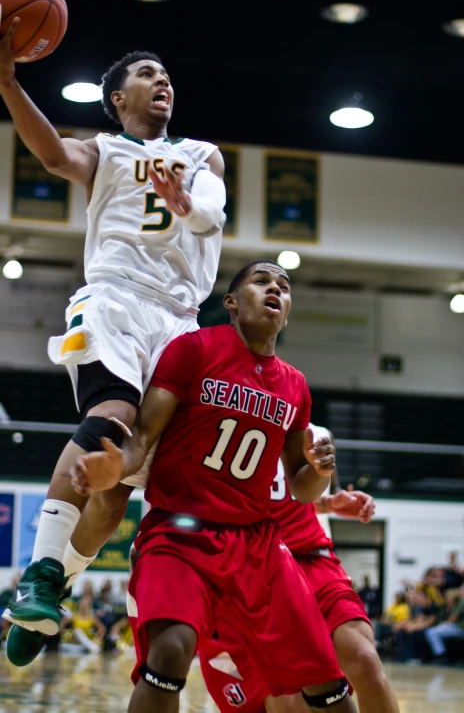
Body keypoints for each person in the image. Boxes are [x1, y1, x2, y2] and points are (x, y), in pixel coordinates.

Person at [0, 15, 226, 650]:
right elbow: (50, 155)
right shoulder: (107, 152)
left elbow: (213, 211)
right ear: (118, 99)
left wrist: (188, 205)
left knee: (121, 481)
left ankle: (53, 588)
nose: (163, 83)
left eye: (167, 77)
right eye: (147, 75)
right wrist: (9, 84)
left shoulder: (200, 154)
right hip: (116, 299)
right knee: (113, 414)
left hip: (181, 322)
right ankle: (39, 573)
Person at [71, 260, 354, 713]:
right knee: (169, 652)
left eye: (283, 286)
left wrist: (318, 473)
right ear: (231, 303)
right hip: (181, 533)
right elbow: (143, 436)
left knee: (327, 681)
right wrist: (116, 466)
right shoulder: (194, 349)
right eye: (261, 282)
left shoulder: (296, 386)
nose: (274, 289)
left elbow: (301, 490)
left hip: (257, 544)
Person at [199, 428, 400, 713]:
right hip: (248, 572)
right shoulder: (219, 417)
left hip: (311, 560)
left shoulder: (312, 429)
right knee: (288, 701)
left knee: (365, 659)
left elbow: (300, 490)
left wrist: (331, 502)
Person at [424, 586, 464, 660]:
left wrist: (445, 623)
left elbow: (453, 618)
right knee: (437, 631)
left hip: (461, 628)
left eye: (461, 590)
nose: (459, 592)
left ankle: (440, 654)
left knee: (431, 632)